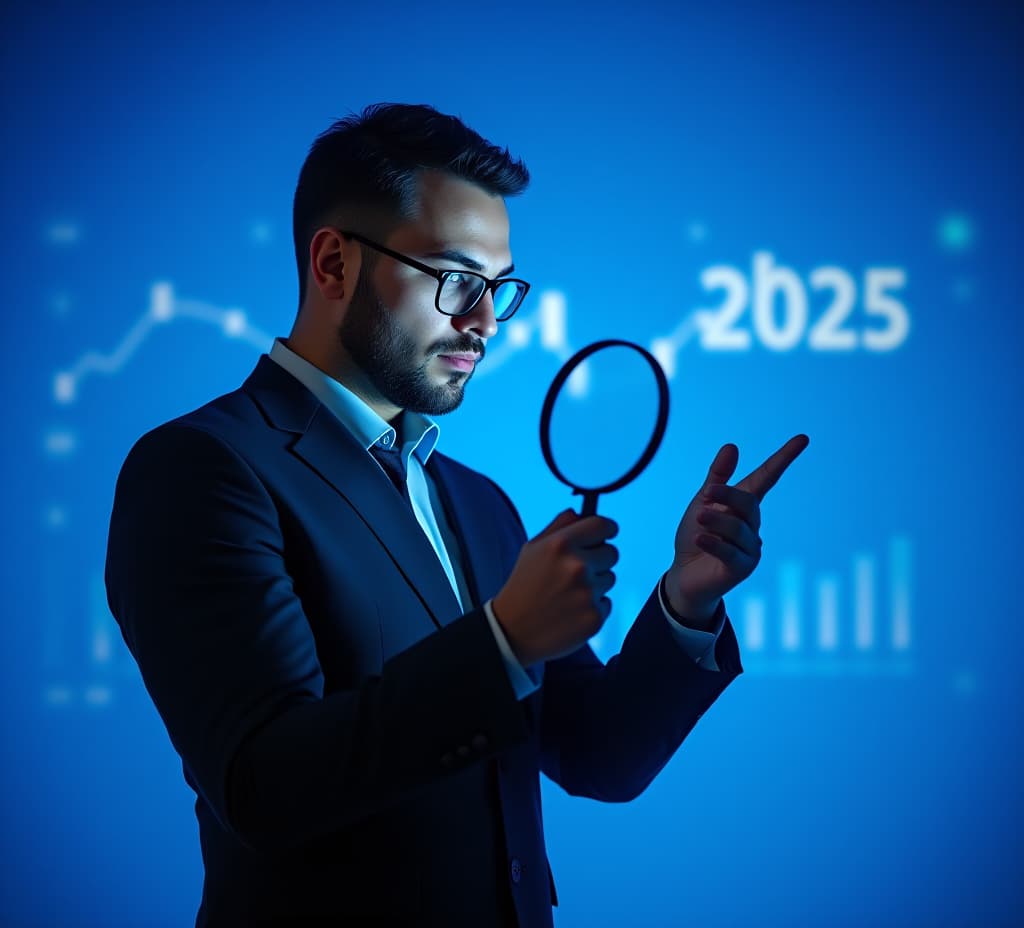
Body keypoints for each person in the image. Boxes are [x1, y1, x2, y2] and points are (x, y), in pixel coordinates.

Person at [105, 102, 809, 928]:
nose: (483, 322)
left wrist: (687, 601)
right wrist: (504, 641)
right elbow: (261, 787)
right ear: (333, 264)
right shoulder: (203, 470)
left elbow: (598, 755)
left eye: (498, 289)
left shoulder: (475, 501)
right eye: (455, 280)